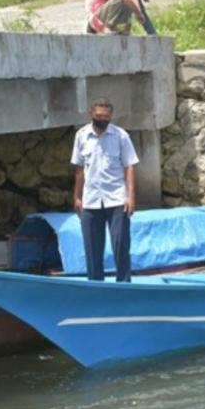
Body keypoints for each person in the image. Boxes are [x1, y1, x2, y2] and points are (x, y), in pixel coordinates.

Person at [71, 99, 140, 282]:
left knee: (120, 243)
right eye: (98, 116)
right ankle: (96, 285)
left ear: (111, 117)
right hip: (91, 199)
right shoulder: (81, 135)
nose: (102, 119)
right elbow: (79, 168)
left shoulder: (121, 136)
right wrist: (77, 197)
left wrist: (130, 197)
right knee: (92, 248)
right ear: (91, 113)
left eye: (106, 117)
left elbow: (129, 166)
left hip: (116, 198)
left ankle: (123, 284)